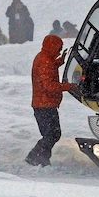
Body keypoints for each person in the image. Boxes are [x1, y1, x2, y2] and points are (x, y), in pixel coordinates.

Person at [25, 34, 76, 166]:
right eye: (59, 48)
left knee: (52, 134)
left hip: (44, 103)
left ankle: (42, 159)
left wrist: (60, 60)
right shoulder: (45, 61)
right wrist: (68, 86)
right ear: (52, 47)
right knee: (52, 134)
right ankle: (34, 156)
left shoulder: (44, 58)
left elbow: (49, 68)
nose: (59, 51)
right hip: (44, 104)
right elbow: (49, 85)